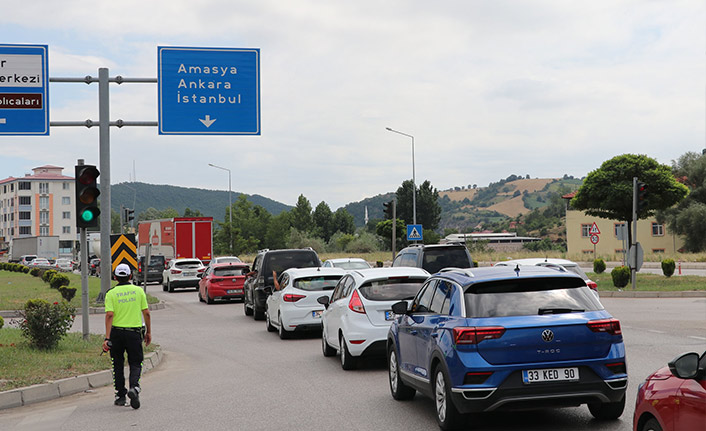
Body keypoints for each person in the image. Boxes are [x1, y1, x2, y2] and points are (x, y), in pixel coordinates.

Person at [103, 263, 152, 409]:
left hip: (116, 334)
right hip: (134, 333)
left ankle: (120, 396)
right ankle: (134, 388)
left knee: (117, 364)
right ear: (130, 276)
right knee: (136, 362)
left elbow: (110, 315)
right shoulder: (138, 291)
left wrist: (107, 338)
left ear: (115, 277)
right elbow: (147, 313)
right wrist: (148, 332)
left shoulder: (110, 293)